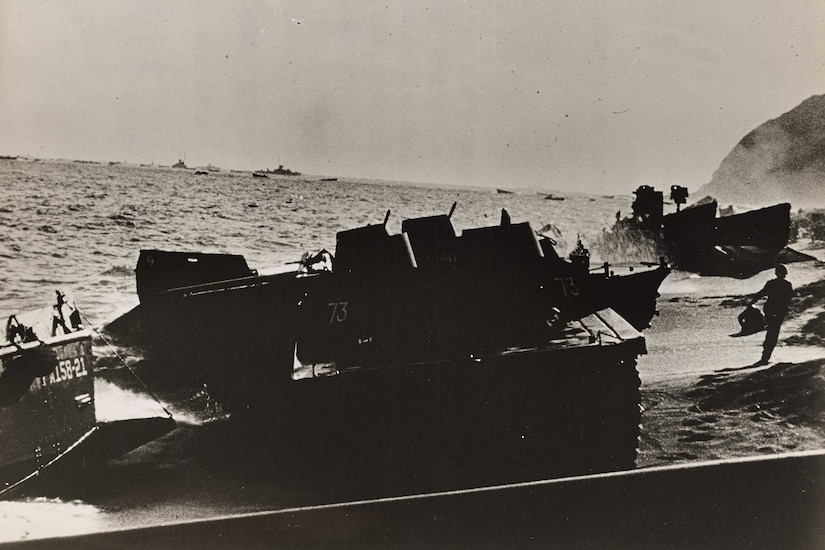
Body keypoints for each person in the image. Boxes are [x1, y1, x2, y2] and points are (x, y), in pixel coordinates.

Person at [748, 264, 794, 365]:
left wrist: (752, 301)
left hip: (770, 310)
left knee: (771, 331)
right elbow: (789, 297)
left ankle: (765, 355)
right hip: (780, 311)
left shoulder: (771, 283)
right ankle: (766, 356)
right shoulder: (787, 285)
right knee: (773, 332)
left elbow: (761, 293)